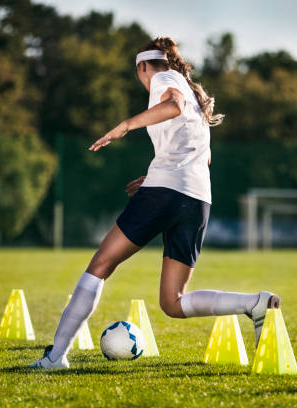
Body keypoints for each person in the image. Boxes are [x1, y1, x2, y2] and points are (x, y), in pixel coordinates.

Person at [30, 36, 280, 369]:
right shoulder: (194, 94)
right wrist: (152, 177)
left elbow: (172, 105)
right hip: (196, 199)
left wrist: (125, 126)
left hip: (165, 192)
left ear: (143, 67)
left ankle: (55, 357)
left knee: (100, 266)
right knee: (173, 302)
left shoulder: (164, 80)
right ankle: (256, 303)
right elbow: (197, 157)